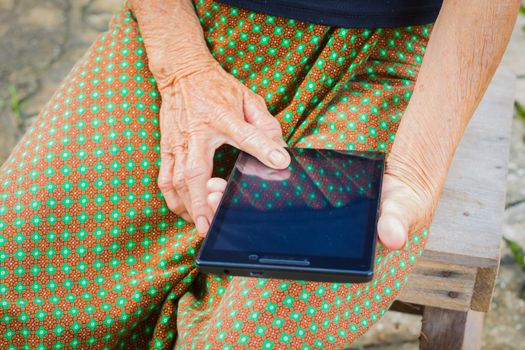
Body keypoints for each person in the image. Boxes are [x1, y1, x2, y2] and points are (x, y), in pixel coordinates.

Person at [0, 0, 519, 348]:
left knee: (256, 333)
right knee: (18, 278)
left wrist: (419, 165)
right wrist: (182, 67)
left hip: (390, 48)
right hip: (191, 25)